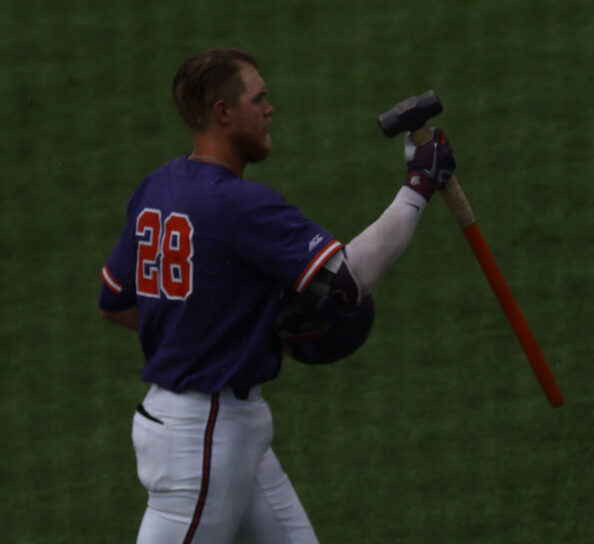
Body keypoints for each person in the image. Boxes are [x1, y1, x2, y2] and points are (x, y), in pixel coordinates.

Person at [98, 48, 456, 543]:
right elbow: (350, 279)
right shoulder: (240, 204)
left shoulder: (158, 187)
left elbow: (116, 302)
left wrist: (225, 328)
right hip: (203, 439)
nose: (271, 110)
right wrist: (419, 185)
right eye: (258, 99)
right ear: (224, 112)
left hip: (219, 426)